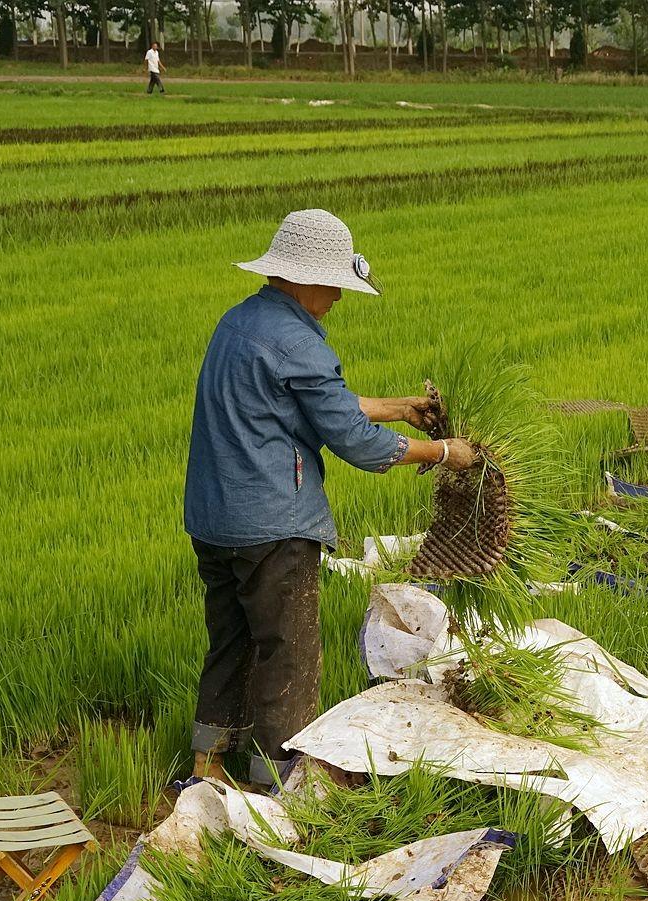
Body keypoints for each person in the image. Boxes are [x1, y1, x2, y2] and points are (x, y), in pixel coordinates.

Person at [185, 208, 476, 786]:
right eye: (334, 285)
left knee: (232, 643)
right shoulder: (299, 342)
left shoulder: (238, 323)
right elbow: (359, 445)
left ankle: (206, 764)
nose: (338, 298)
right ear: (304, 278)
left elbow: (306, 404)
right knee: (287, 653)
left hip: (214, 518)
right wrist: (444, 452)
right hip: (273, 523)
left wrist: (397, 407)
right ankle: (277, 784)